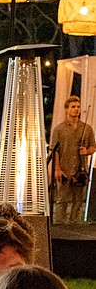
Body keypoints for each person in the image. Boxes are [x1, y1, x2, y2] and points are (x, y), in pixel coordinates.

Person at [50, 95, 96, 224]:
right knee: (61, 200)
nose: (76, 109)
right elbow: (55, 151)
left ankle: (74, 226)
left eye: (78, 107)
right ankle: (60, 225)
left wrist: (87, 151)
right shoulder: (58, 129)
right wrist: (57, 169)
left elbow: (93, 146)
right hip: (64, 169)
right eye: (73, 107)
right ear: (66, 110)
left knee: (78, 201)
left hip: (80, 171)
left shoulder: (87, 128)